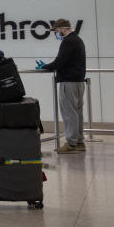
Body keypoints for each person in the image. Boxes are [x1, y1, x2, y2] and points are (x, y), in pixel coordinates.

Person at [41, 18, 86, 154]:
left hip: (69, 82)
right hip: (78, 81)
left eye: (56, 30)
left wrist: (45, 66)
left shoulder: (68, 42)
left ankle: (71, 143)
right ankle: (79, 142)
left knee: (69, 113)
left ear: (63, 28)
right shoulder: (78, 40)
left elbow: (59, 61)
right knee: (77, 113)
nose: (56, 33)